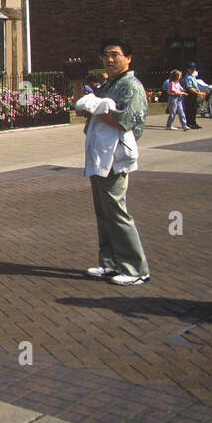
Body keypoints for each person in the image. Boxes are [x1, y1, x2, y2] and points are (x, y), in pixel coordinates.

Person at [78, 39, 149, 286]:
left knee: (117, 212)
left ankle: (135, 268)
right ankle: (109, 263)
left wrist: (98, 106)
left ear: (128, 58)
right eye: (106, 55)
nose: (109, 59)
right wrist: (79, 82)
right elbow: (83, 108)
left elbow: (124, 121)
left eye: (115, 54)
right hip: (99, 155)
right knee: (104, 213)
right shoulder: (109, 84)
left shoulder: (131, 86)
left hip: (115, 157)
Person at [183, 64, 208, 128]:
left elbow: (196, 86)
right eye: (191, 69)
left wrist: (199, 92)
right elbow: (189, 88)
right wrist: (198, 93)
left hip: (195, 93)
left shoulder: (193, 76)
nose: (193, 70)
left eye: (194, 69)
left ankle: (193, 123)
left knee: (194, 109)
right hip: (190, 93)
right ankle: (189, 123)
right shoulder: (187, 77)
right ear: (188, 69)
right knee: (189, 109)